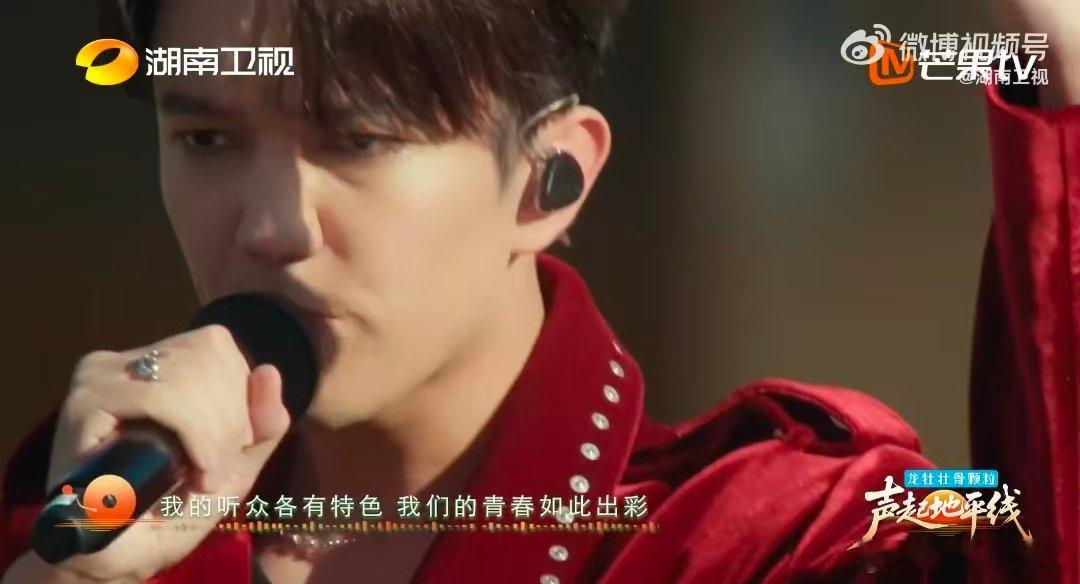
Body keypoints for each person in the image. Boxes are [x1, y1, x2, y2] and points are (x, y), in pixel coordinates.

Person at [2, 0, 1079, 582]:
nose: (271, 226)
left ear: (550, 177)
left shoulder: (775, 537)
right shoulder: (76, 511)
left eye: (360, 140)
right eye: (206, 139)